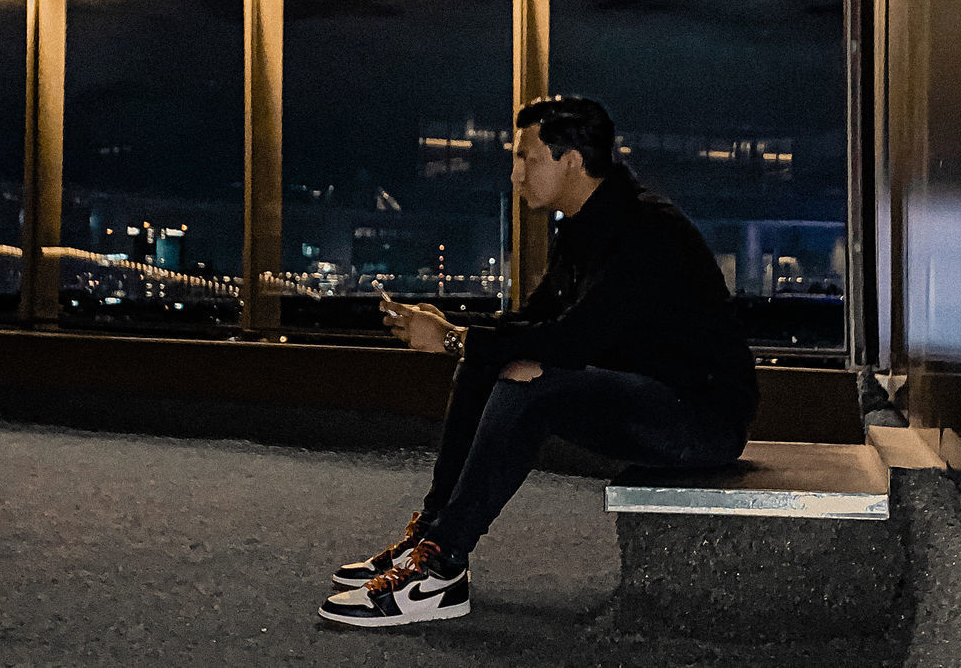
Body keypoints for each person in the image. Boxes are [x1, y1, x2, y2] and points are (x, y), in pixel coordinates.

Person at [318, 96, 758, 628]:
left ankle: (443, 568)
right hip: (643, 393)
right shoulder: (582, 225)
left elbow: (573, 341)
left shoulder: (645, 230)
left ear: (570, 159)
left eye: (525, 157)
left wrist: (455, 338)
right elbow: (535, 322)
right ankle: (432, 541)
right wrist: (459, 333)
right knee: (488, 365)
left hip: (699, 419)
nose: (514, 173)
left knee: (527, 386)